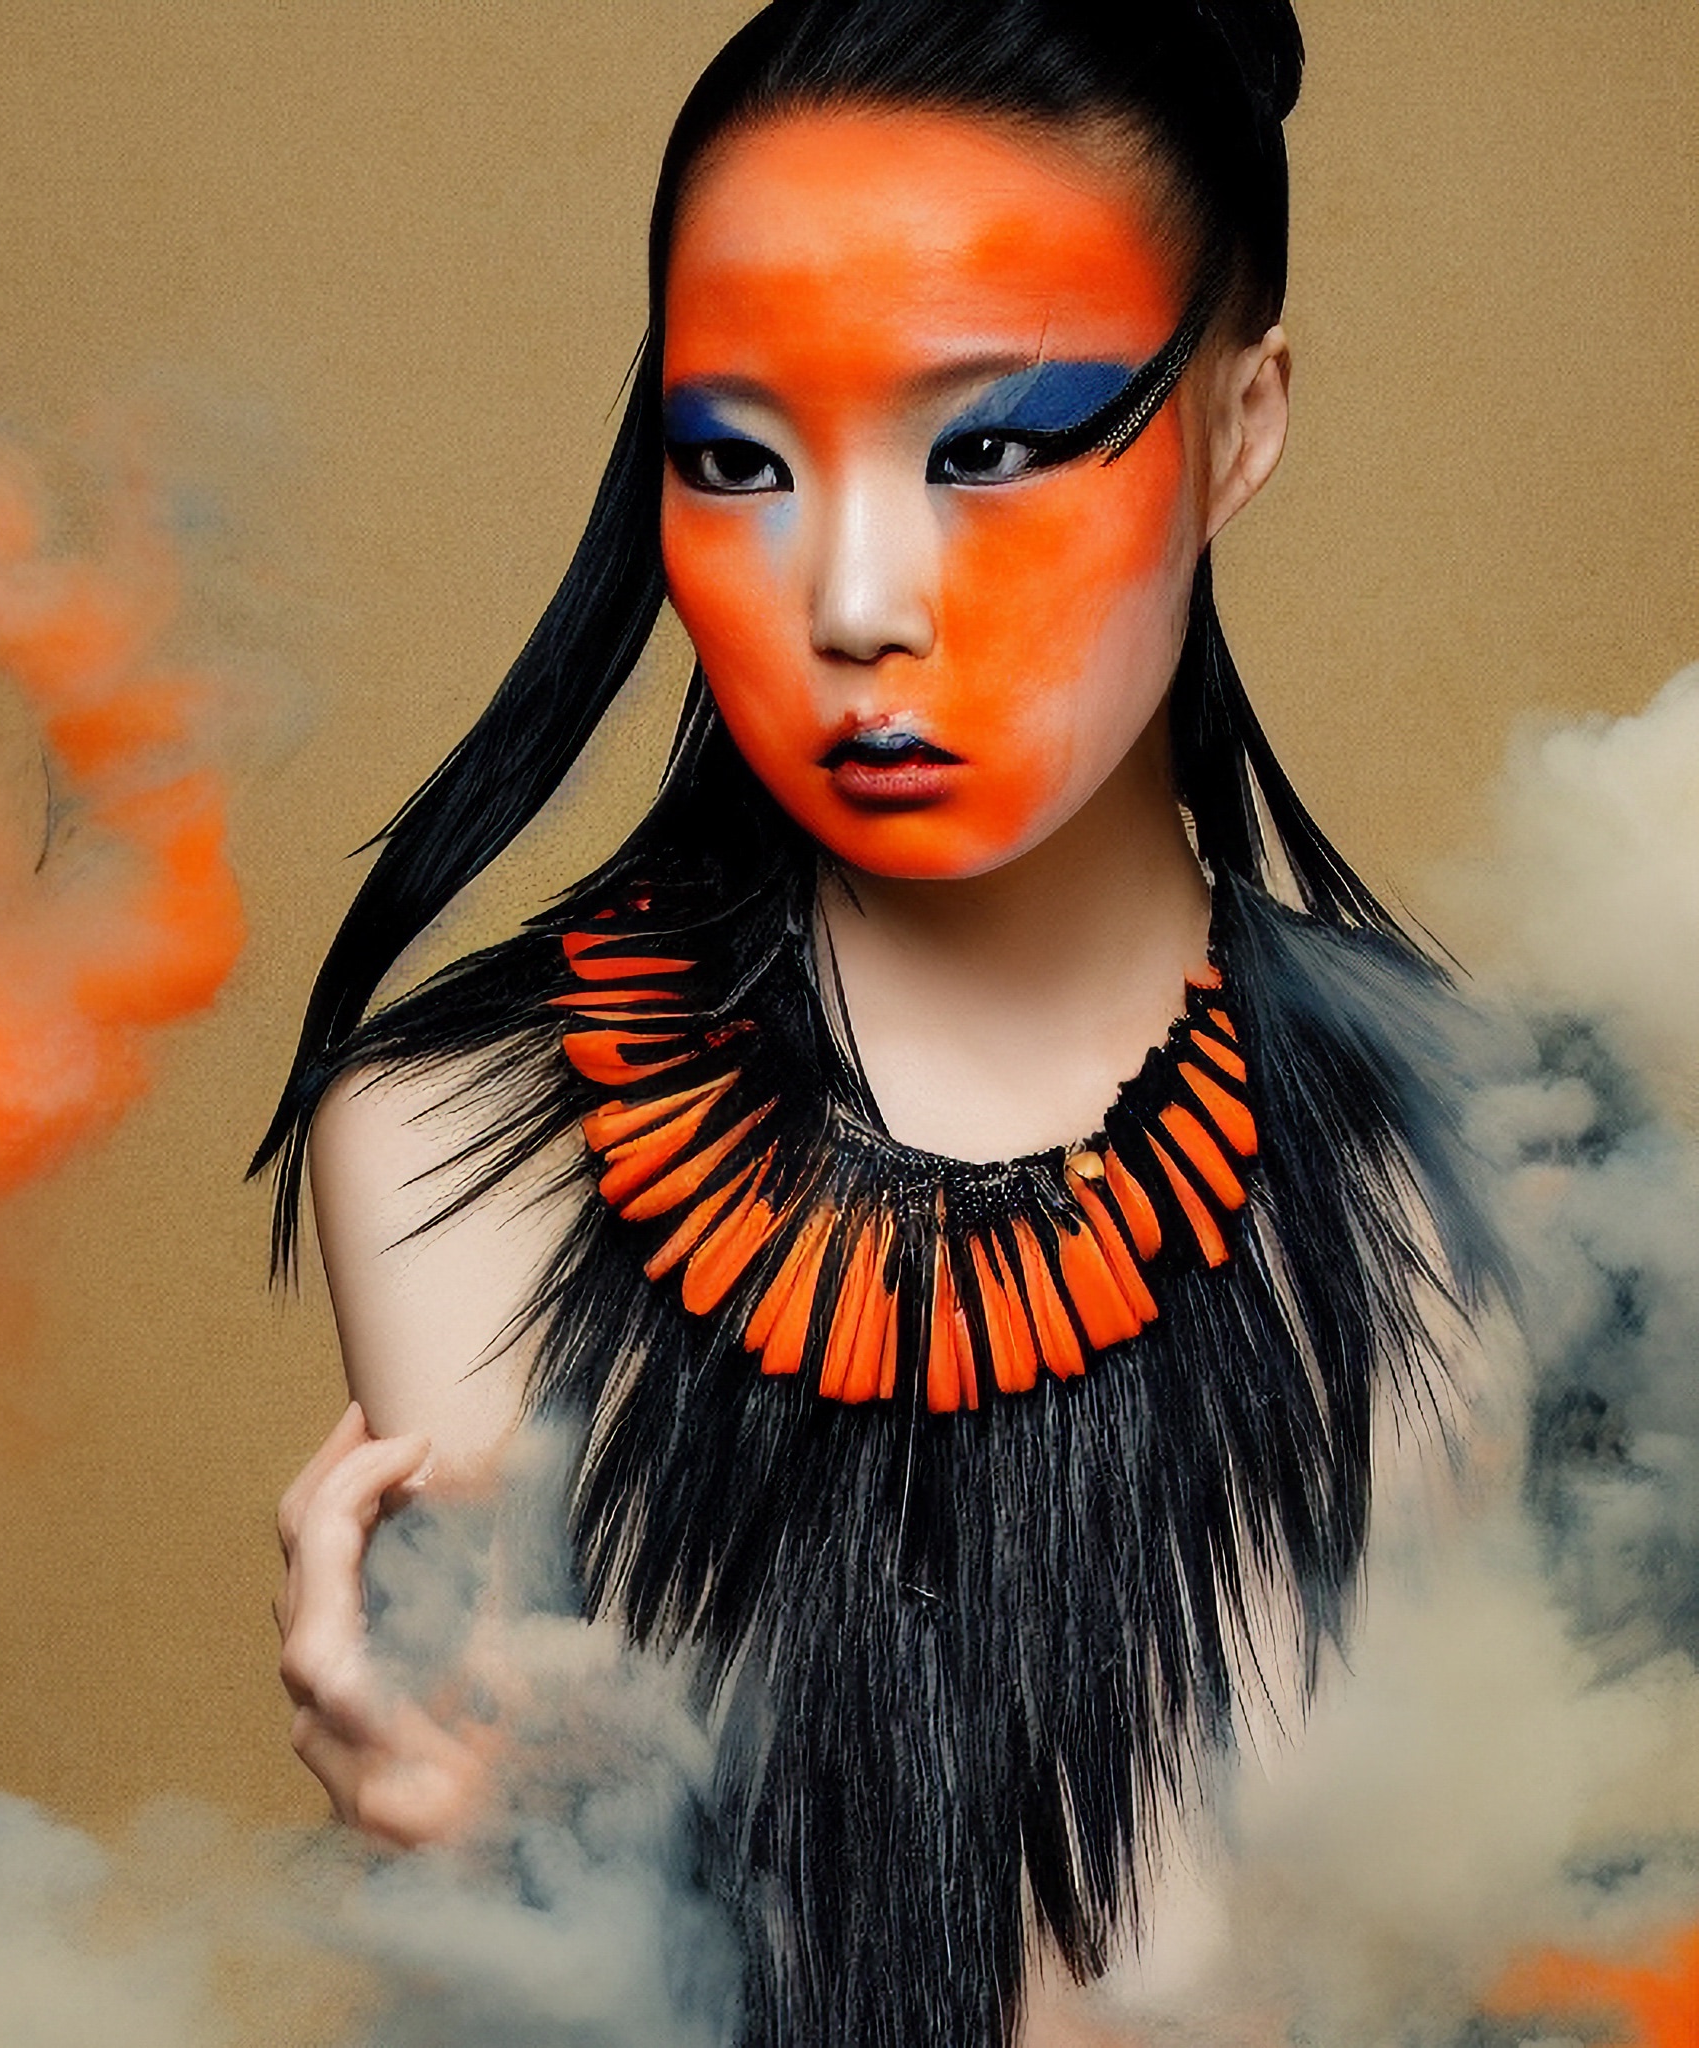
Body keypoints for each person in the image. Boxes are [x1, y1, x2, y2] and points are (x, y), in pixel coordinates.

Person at [261, 4, 1495, 2041]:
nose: (847, 597)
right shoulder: (446, 1145)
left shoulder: (1475, 1191)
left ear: (1239, 424)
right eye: (735, 457)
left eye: (991, 445)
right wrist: (480, 1867)